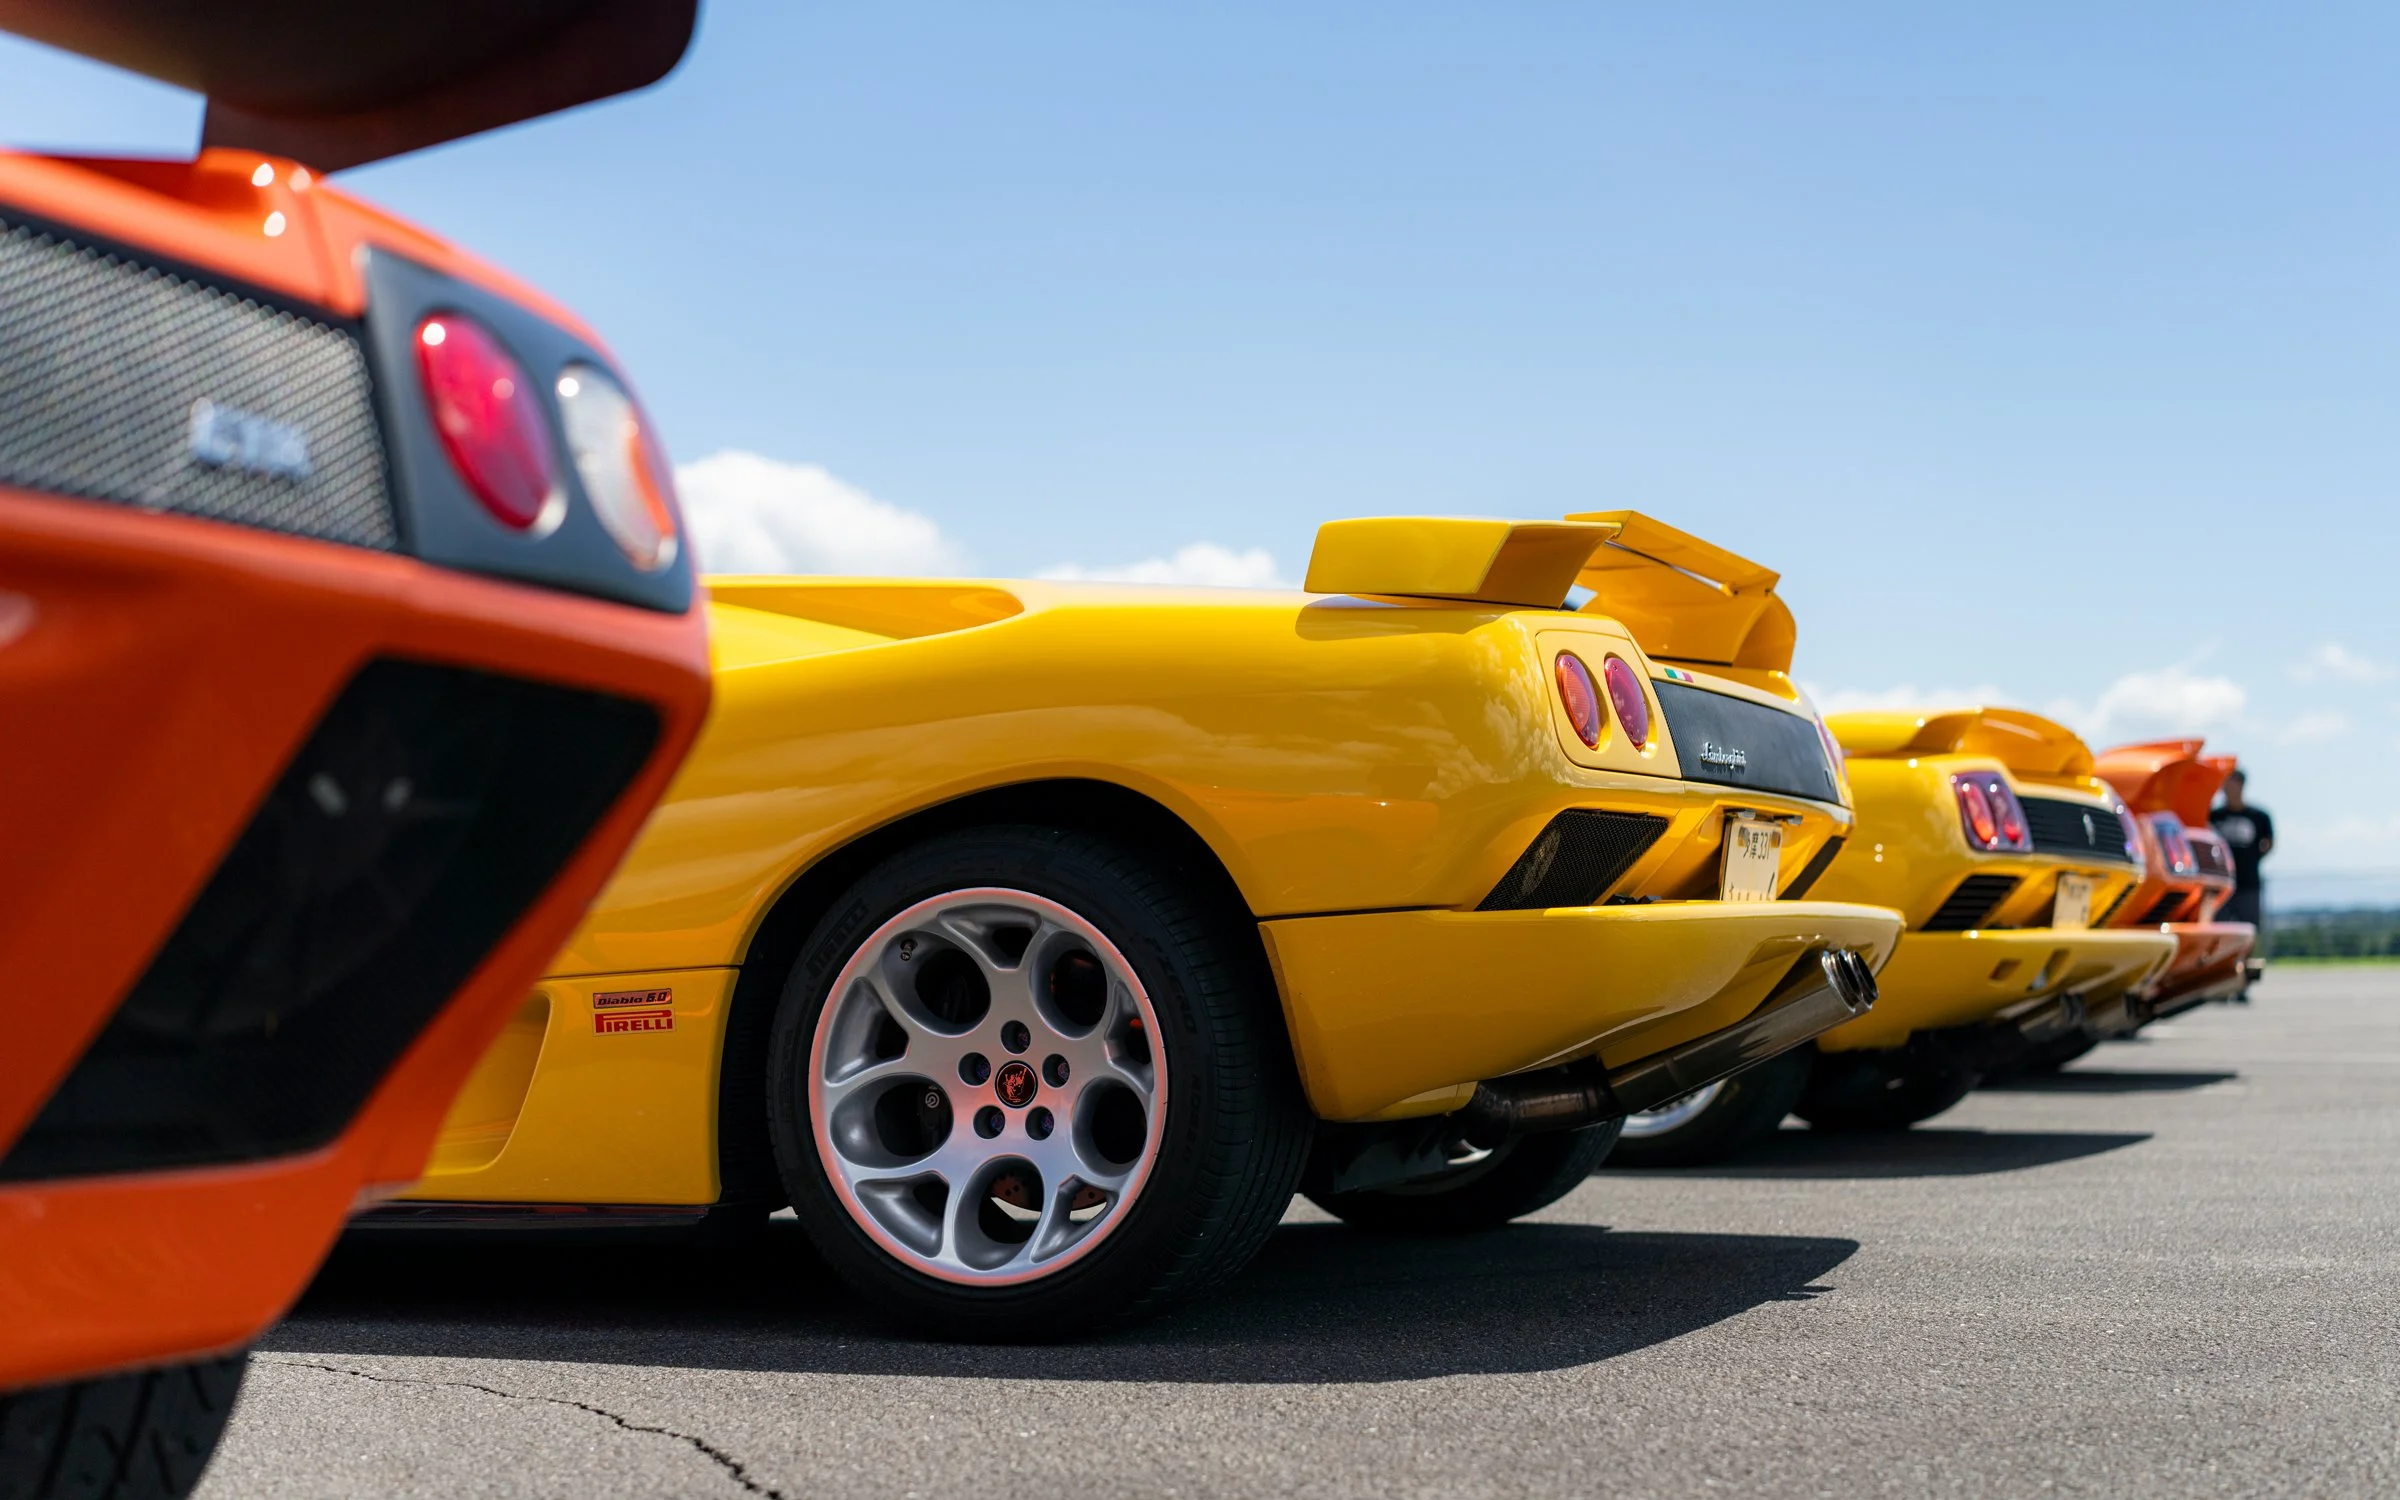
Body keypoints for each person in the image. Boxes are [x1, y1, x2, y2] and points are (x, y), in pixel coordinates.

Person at [2210, 769, 2273, 928]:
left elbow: (2268, 843)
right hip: (2221, 884)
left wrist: (2252, 858)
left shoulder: (2259, 817)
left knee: (2249, 928)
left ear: (2240, 784)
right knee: (2219, 929)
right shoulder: (2214, 816)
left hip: (2248, 883)